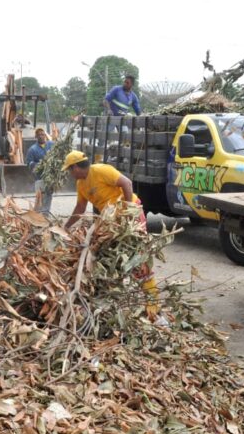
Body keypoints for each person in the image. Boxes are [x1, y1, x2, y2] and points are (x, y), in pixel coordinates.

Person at [62, 151, 159, 315]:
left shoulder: (100, 170)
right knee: (108, 257)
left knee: (138, 256)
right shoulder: (81, 184)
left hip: (130, 215)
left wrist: (128, 210)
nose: (69, 174)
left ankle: (153, 304)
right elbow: (80, 208)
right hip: (111, 222)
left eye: (69, 170)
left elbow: (126, 183)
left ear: (76, 167)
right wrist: (65, 227)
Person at [25, 128, 54, 215]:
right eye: (39, 135)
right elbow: (29, 163)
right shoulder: (32, 149)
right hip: (39, 177)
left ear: (45, 135)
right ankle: (37, 214)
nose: (41, 136)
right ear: (36, 137)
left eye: (43, 134)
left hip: (50, 177)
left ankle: (45, 214)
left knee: (48, 196)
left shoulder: (51, 145)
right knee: (40, 196)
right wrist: (39, 165)